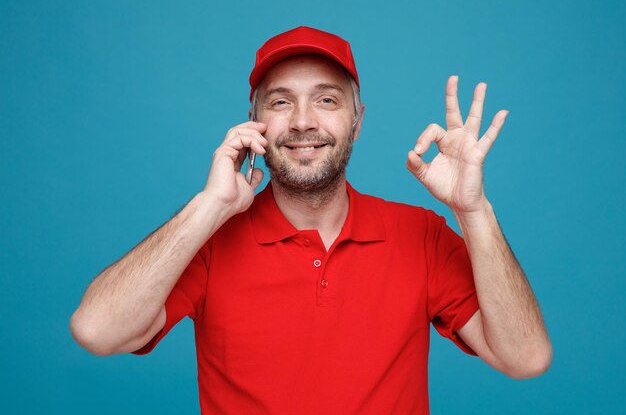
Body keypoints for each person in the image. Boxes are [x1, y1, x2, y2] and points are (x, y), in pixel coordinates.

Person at [70, 26, 552, 414]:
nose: (302, 121)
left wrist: (474, 211)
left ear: (357, 121)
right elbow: (97, 330)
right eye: (280, 102)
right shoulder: (210, 240)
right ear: (253, 121)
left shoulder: (419, 234)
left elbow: (525, 359)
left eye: (326, 100)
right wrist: (210, 206)